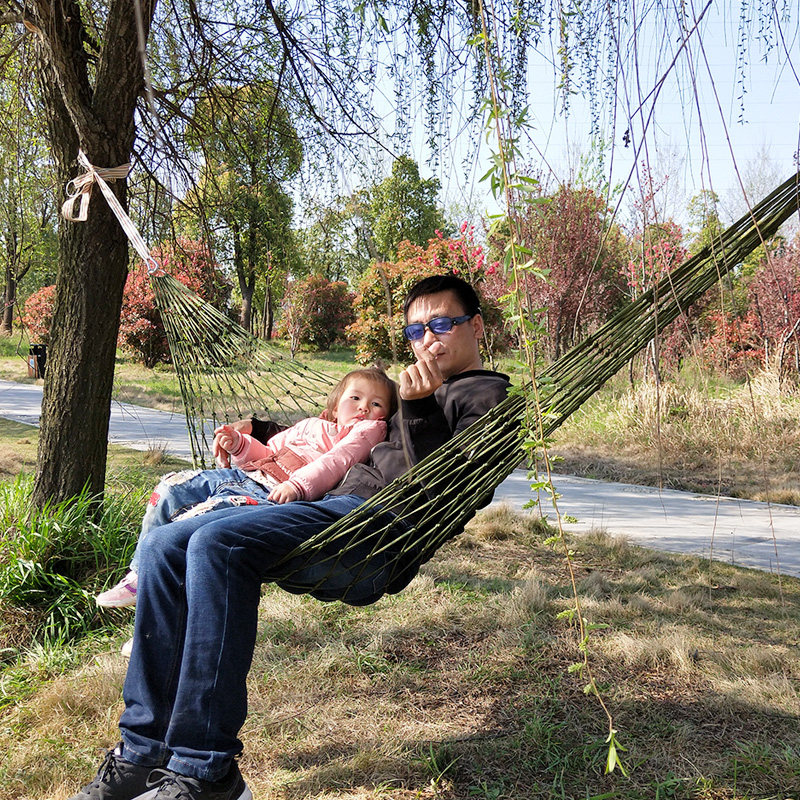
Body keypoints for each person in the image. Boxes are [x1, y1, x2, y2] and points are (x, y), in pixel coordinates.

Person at [70, 274, 510, 800]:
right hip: (326, 507)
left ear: (475, 325)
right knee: (167, 544)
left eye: (441, 324)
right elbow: (339, 432)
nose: (427, 340)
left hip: (375, 529)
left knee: (216, 545)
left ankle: (206, 772)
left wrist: (417, 408)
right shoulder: (415, 390)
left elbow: (443, 488)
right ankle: (141, 755)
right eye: (415, 330)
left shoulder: (489, 398)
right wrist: (259, 430)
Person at [95, 368, 397, 609]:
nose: (363, 408)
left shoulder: (367, 431)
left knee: (197, 523)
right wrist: (239, 445)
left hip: (271, 494)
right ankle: (139, 576)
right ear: (334, 405)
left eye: (376, 404)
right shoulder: (309, 425)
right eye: (355, 398)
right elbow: (268, 450)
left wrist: (297, 486)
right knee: (170, 488)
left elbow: (336, 462)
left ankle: (164, 614)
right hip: (245, 475)